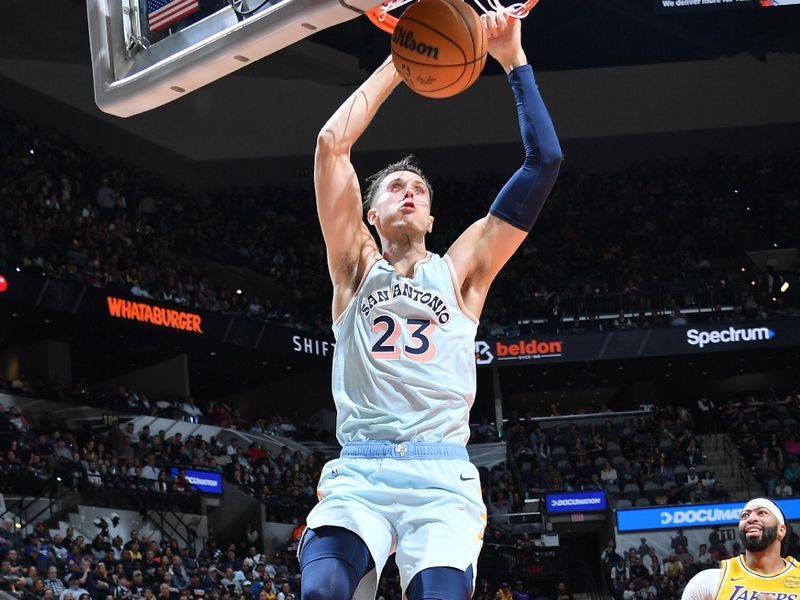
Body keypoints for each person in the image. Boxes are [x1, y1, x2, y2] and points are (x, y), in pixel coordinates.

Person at [299, 8, 561, 600]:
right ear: (371, 215)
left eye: (419, 189)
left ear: (433, 215)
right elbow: (330, 144)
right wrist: (402, 58)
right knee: (323, 590)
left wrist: (513, 61)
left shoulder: (461, 270)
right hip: (361, 471)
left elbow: (543, 162)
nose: (409, 193)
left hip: (441, 475)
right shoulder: (353, 265)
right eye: (395, 187)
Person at [681, 497, 800, 599]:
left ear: (781, 530)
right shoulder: (708, 581)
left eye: (762, 513)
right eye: (745, 515)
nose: (751, 519)